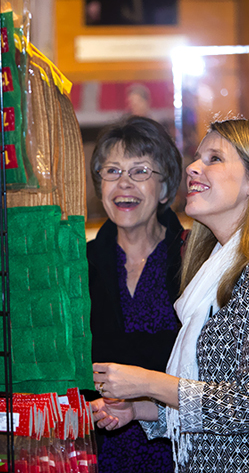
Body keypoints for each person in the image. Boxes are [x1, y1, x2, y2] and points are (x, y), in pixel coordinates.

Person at [91, 118, 249, 472]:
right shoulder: (217, 270)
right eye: (197, 158)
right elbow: (215, 400)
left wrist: (149, 382)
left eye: (214, 159)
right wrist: (140, 408)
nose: (193, 167)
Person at [87, 116, 186, 473]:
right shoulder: (81, 263)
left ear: (164, 187)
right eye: (112, 171)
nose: (123, 184)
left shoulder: (193, 259)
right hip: (100, 450)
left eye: (140, 171)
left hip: (180, 449)